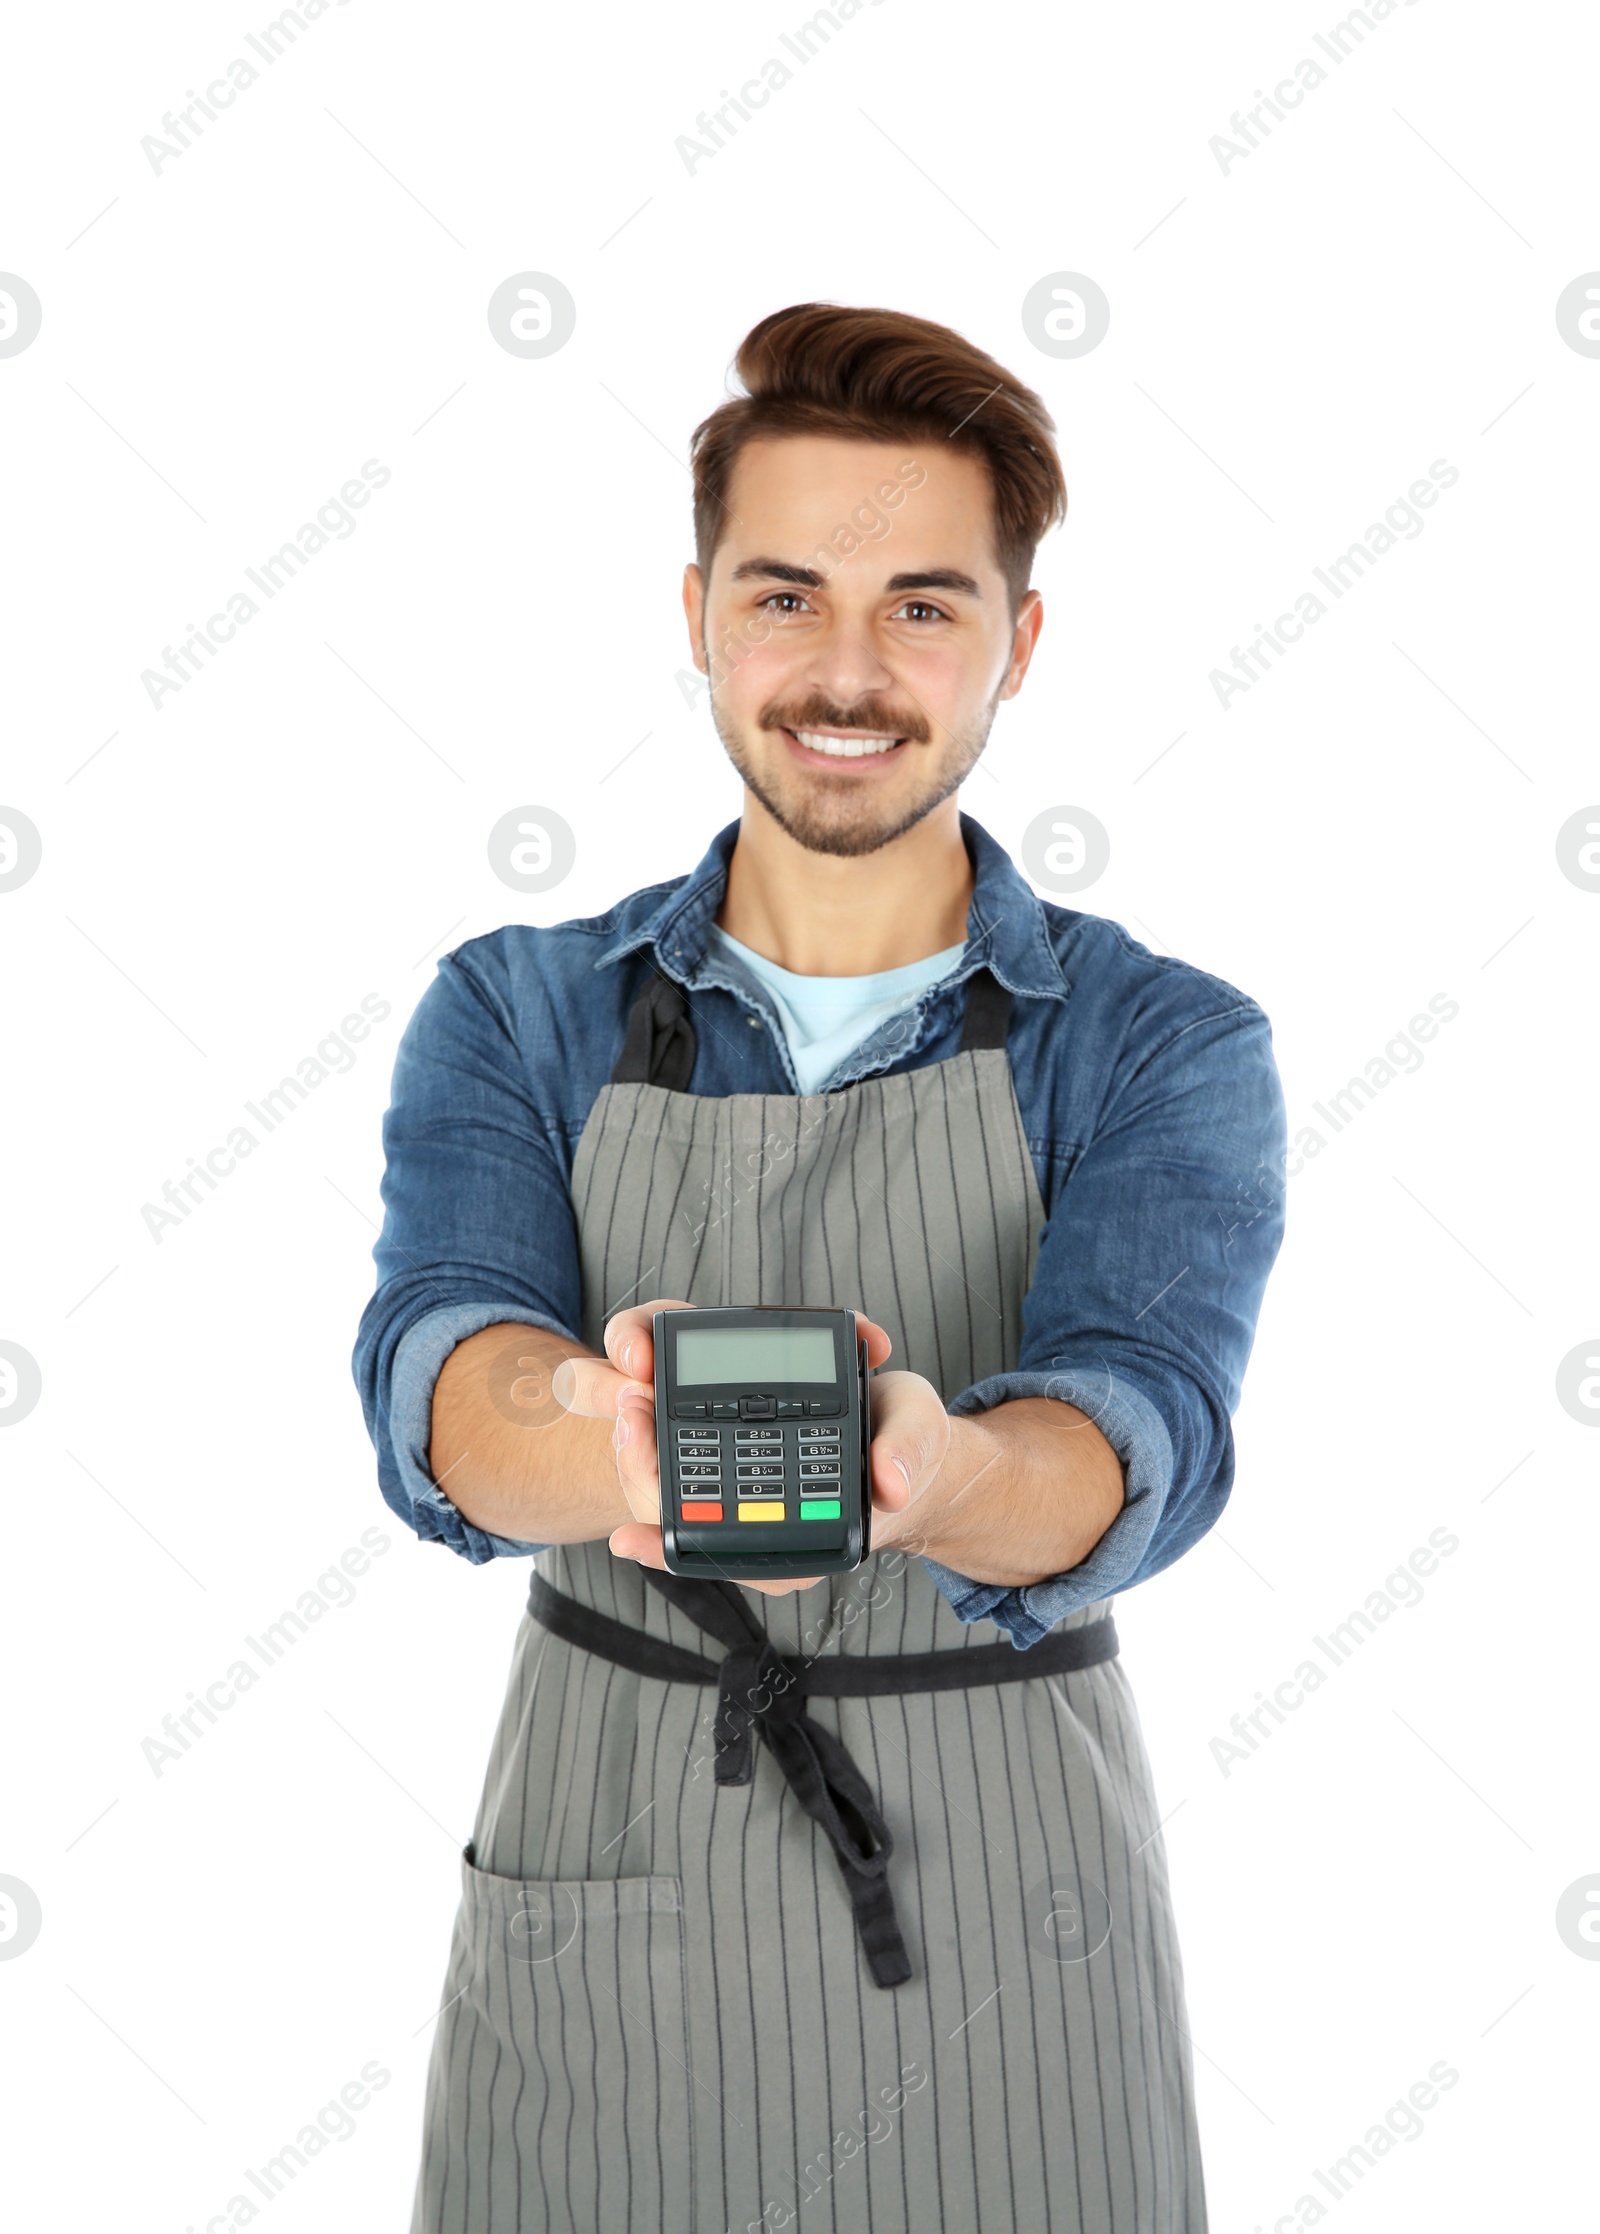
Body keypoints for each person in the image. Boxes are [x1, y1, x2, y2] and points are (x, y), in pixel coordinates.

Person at [354, 301, 1286, 2234]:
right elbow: (444, 1374)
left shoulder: (1161, 1040)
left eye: (923, 607)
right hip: (606, 1883)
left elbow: (1142, 1424)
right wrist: (610, 1440)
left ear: (1018, 643)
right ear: (697, 613)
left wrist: (936, 1475)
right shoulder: (520, 1011)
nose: (847, 672)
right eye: (787, 597)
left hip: (1016, 1914)